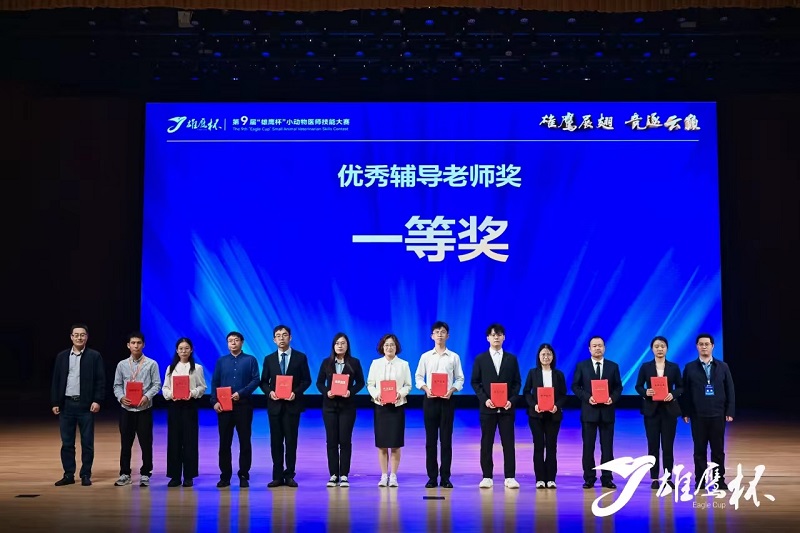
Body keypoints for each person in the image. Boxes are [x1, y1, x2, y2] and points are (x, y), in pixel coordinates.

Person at [51, 323, 105, 487]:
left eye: (82, 335)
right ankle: (68, 474)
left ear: (87, 337)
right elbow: (56, 380)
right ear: (71, 337)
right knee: (67, 443)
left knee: (87, 443)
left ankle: (86, 474)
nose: (79, 337)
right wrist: (55, 402)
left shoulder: (94, 356)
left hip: (86, 405)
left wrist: (97, 400)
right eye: (76, 335)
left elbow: (100, 380)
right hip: (66, 405)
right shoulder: (62, 356)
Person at [681, 333, 735, 491]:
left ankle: (719, 481)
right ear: (697, 347)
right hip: (698, 415)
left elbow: (730, 389)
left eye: (707, 344)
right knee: (699, 450)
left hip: (718, 414)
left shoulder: (723, 366)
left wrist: (730, 410)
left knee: (718, 451)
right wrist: (685, 412)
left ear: (713, 346)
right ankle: (700, 480)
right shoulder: (690, 367)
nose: (704, 347)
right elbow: (685, 392)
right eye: (701, 344)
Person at [470, 323, 522, 489]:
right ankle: (487, 476)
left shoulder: (511, 359)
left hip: (507, 408)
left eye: (499, 334)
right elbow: (475, 382)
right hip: (488, 408)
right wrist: (484, 399)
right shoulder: (480, 359)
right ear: (488, 338)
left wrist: (511, 400)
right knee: (486, 443)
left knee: (508, 443)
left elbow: (517, 383)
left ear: (504, 337)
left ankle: (510, 477)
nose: (496, 337)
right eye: (493, 335)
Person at [260, 325, 312, 488]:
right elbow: (263, 382)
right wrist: (270, 392)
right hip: (275, 405)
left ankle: (289, 475)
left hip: (292, 405)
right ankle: (277, 476)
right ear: (274, 339)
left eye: (284, 335)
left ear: (290, 337)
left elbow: (306, 380)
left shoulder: (300, 357)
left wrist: (295, 393)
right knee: (276, 442)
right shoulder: (269, 359)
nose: (281, 338)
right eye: (278, 335)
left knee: (291, 441)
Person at [414, 320, 465, 489]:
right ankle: (432, 477)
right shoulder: (425, 357)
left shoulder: (454, 357)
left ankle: (445, 477)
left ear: (448, 336)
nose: (440, 335)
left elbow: (460, 378)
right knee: (430, 441)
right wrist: (425, 388)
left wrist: (452, 390)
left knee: (446, 441)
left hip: (447, 401)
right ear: (432, 336)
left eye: (443, 332)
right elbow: (418, 377)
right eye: (437, 332)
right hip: (430, 401)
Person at [571, 336, 623, 489]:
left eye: (600, 345)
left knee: (607, 448)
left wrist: (612, 398)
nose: (597, 348)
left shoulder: (613, 366)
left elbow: (618, 387)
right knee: (588, 447)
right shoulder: (582, 366)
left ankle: (607, 478)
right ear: (589, 349)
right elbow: (575, 386)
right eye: (594, 346)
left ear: (604, 348)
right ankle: (589, 478)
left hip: (607, 412)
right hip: (589, 412)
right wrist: (588, 398)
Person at [210, 331, 260, 488]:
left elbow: (256, 380)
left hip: (243, 406)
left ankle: (244, 474)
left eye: (236, 340)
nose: (233, 343)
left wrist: (242, 393)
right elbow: (215, 382)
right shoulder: (221, 361)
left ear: (242, 342)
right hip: (224, 407)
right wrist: (214, 401)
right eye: (230, 341)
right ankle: (225, 476)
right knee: (224, 443)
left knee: (245, 441)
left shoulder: (250, 360)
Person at [315, 332, 366, 487]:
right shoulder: (326, 363)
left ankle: (344, 475)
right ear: (333, 346)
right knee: (331, 441)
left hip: (347, 407)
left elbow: (360, 383)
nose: (340, 346)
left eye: (343, 343)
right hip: (329, 407)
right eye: (337, 343)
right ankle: (333, 474)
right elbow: (319, 383)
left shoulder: (354, 362)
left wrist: (351, 391)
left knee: (345, 441)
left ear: (347, 346)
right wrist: (326, 392)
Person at [112, 331, 162, 487]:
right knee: (126, 443)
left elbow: (156, 385)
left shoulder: (151, 364)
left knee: (146, 443)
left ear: (143, 345)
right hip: (126, 409)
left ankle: (146, 473)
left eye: (139, 343)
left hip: (144, 409)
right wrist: (121, 397)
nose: (136, 345)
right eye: (133, 343)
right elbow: (117, 385)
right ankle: (125, 473)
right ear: (128, 345)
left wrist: (146, 396)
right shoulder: (121, 365)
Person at [634, 335, 682, 489]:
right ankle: (654, 478)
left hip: (669, 411)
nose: (660, 349)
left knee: (668, 446)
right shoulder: (645, 367)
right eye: (656, 346)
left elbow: (681, 387)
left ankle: (668, 478)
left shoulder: (674, 367)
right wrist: (645, 392)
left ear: (667, 348)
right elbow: (638, 386)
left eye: (662, 346)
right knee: (653, 446)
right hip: (651, 411)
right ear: (652, 349)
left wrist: (673, 394)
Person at [366, 333, 412, 488]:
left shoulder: (403, 364)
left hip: (397, 407)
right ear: (382, 347)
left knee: (395, 443)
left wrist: (400, 393)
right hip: (381, 407)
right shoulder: (376, 363)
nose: (389, 347)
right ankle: (384, 475)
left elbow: (408, 385)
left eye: (392, 345)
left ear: (396, 347)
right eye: (386, 345)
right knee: (382, 444)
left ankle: (393, 476)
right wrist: (376, 394)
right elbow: (370, 384)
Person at [162, 337, 207, 487]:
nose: (184, 351)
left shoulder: (197, 368)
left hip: (190, 406)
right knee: (174, 441)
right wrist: (171, 395)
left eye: (186, 348)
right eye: (181, 348)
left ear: (191, 350)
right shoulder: (170, 368)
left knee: (190, 441)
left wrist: (192, 393)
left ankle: (189, 476)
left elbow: (202, 387)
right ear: (177, 350)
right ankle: (174, 476)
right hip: (174, 406)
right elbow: (165, 388)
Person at [522, 343, 567, 489]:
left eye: (549, 354)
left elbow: (563, 395)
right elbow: (526, 392)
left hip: (553, 415)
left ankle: (551, 479)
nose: (546, 357)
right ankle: (540, 479)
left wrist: (557, 406)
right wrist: (534, 405)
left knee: (552, 446)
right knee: (539, 445)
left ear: (553, 357)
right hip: (536, 415)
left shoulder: (559, 374)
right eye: (543, 354)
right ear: (539, 357)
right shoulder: (532, 373)